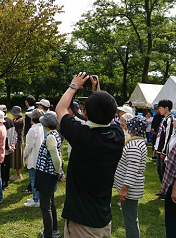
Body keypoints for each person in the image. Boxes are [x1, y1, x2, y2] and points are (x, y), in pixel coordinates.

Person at [55, 72, 124, 237]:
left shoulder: (82, 136)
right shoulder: (117, 135)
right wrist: (97, 92)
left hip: (82, 225)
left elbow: (60, 108)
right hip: (103, 219)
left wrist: (74, 85)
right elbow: (104, 115)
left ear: (85, 113)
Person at [113, 115, 148, 238]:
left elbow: (132, 170)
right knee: (130, 218)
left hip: (130, 190)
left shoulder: (134, 145)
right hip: (130, 188)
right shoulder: (138, 142)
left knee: (130, 220)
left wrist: (124, 188)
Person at [154, 99, 176, 199]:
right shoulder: (164, 119)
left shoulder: (170, 120)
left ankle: (166, 191)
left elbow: (169, 136)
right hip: (159, 149)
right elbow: (160, 135)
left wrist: (164, 152)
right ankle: (163, 190)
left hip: (164, 151)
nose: (159, 110)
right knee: (159, 170)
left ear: (166, 108)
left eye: (160, 108)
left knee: (164, 171)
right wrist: (156, 147)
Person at [23, 109, 45, 208]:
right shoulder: (41, 127)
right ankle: (35, 197)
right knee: (36, 179)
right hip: (38, 157)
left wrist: (24, 154)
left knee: (33, 179)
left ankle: (36, 200)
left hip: (33, 157)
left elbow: (29, 145)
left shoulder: (33, 129)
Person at [0, 105, 16, 191]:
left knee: (2, 167)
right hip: (9, 147)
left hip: (4, 149)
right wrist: (13, 145)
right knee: (7, 166)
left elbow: (5, 138)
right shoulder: (11, 121)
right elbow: (15, 135)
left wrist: (8, 147)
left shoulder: (3, 123)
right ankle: (6, 181)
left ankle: (3, 183)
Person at [10, 106, 24, 181]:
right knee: (16, 157)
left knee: (18, 158)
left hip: (18, 141)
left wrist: (11, 121)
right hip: (17, 140)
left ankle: (18, 174)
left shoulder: (19, 121)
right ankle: (17, 174)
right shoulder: (17, 120)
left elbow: (12, 125)